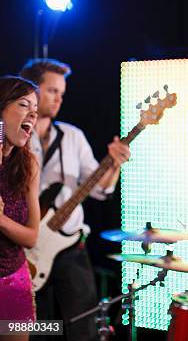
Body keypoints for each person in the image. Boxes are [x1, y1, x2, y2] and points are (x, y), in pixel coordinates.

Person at [19, 59, 131, 341]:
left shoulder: (73, 136)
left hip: (69, 243)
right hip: (26, 244)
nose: (59, 98)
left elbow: (99, 189)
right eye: (52, 91)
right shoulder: (12, 135)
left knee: (83, 324)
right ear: (31, 92)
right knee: (35, 326)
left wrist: (114, 165)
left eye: (62, 93)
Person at [0, 76, 40, 340]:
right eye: (24, 105)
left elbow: (31, 236)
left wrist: (1, 220)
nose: (32, 115)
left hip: (13, 281)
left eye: (35, 111)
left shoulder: (29, 165)